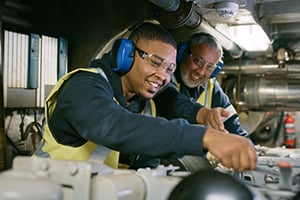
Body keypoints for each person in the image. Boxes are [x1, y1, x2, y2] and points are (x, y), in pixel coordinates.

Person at [34, 22, 257, 172]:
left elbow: (173, 102)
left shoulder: (144, 99)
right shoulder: (84, 86)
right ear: (126, 55)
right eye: (155, 62)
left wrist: (204, 114)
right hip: (47, 191)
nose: (162, 76)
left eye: (170, 69)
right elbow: (115, 126)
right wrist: (205, 137)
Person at [154, 32, 248, 136]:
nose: (201, 72)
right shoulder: (165, 76)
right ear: (183, 53)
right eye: (198, 61)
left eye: (209, 67)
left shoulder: (211, 86)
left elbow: (233, 126)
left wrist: (246, 144)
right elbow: (171, 102)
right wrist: (204, 114)